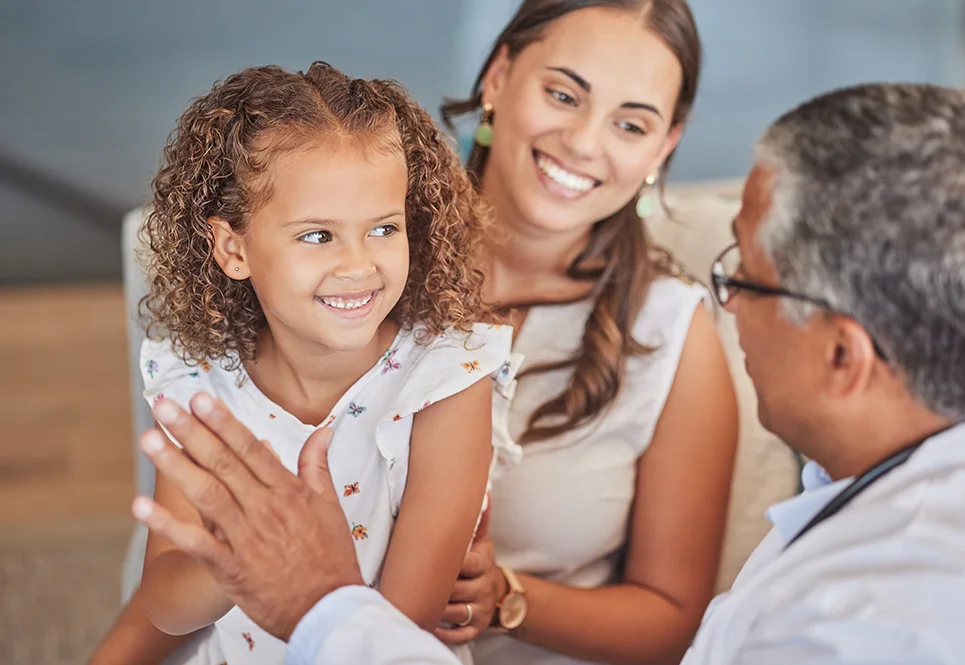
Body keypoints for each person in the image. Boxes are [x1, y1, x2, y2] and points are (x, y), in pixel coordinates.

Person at [135, 81, 965, 665]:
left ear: (844, 356)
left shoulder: (865, 627)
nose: (725, 303)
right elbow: (157, 607)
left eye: (740, 276)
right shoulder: (875, 493)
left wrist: (313, 595)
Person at [88, 62, 519, 665]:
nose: (358, 265)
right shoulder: (203, 384)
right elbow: (163, 604)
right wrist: (236, 565)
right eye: (318, 235)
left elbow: (402, 627)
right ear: (233, 249)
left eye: (383, 228)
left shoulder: (446, 380)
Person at [437, 2, 738, 663]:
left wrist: (505, 597)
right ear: (497, 76)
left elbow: (670, 620)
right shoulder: (367, 253)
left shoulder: (672, 334)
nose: (582, 141)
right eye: (563, 94)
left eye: (630, 124)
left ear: (663, 148)